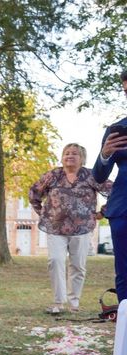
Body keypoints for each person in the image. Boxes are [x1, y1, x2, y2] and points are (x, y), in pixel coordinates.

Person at [31, 143, 112, 314]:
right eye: (66, 153)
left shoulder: (91, 175)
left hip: (82, 228)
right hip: (55, 228)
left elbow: (114, 191)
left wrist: (102, 213)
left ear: (82, 158)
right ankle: (58, 303)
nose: (69, 156)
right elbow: (34, 193)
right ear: (62, 157)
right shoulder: (53, 175)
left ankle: (74, 303)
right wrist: (44, 213)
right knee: (55, 261)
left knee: (78, 266)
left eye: (74, 153)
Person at [93, 74, 127, 302]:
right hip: (123, 210)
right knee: (124, 273)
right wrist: (104, 155)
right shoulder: (117, 128)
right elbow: (98, 175)